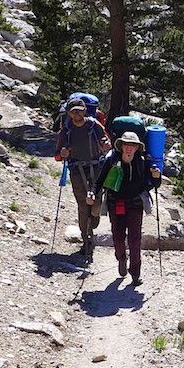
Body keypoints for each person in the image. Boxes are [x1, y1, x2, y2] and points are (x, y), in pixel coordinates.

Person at [89, 130, 161, 286]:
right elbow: (100, 180)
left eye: (132, 145)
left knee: (135, 240)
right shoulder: (112, 160)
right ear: (121, 146)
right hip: (115, 203)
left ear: (137, 148)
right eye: (126, 144)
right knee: (118, 237)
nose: (129, 148)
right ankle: (121, 258)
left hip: (135, 203)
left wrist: (157, 176)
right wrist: (92, 192)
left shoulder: (141, 162)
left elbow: (154, 184)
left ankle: (135, 274)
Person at [54, 98, 109, 260]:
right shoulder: (66, 130)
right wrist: (63, 153)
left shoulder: (94, 125)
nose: (77, 114)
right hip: (77, 170)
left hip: (96, 168)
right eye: (73, 112)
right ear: (69, 113)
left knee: (96, 202)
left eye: (79, 111)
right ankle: (87, 241)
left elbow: (107, 143)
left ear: (85, 111)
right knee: (83, 205)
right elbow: (57, 155)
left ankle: (94, 220)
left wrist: (106, 145)